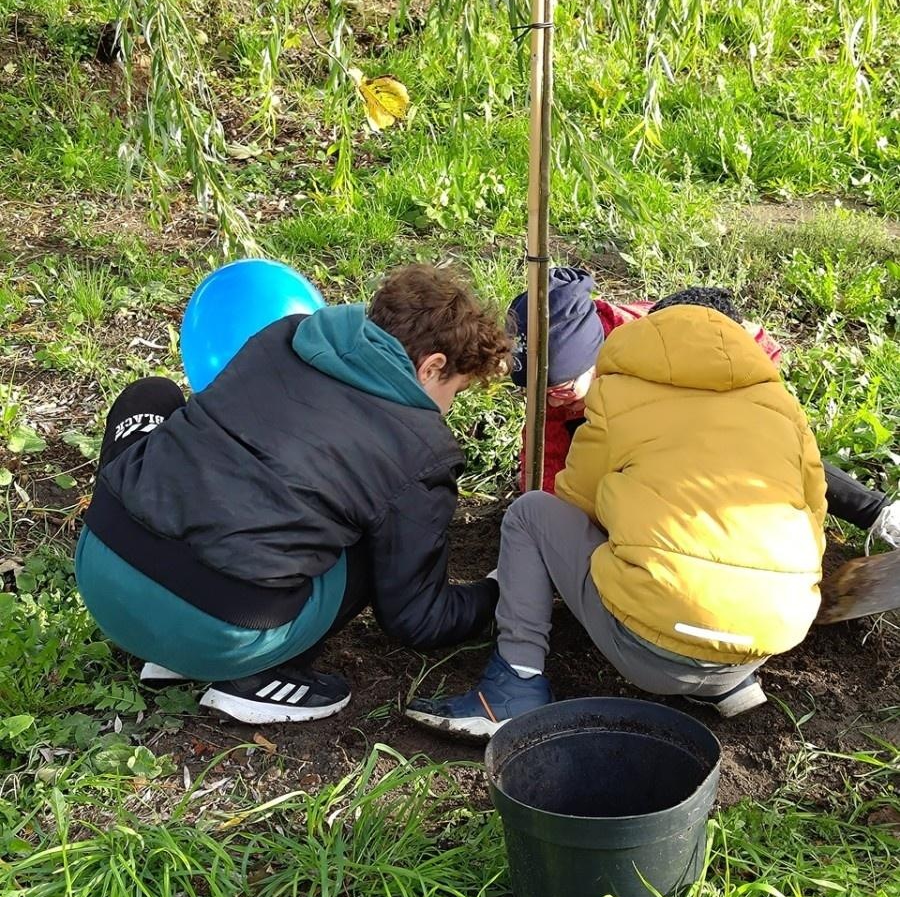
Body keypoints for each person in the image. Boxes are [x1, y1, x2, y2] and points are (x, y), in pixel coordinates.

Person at [75, 264, 509, 725]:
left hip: (103, 580)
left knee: (151, 395)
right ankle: (257, 677)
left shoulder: (286, 333)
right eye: (455, 392)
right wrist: (498, 592)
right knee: (371, 537)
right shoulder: (420, 452)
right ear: (432, 366)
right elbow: (418, 618)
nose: (447, 409)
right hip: (220, 631)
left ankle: (163, 636)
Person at [407, 285, 830, 736]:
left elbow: (576, 502)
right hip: (767, 637)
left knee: (531, 514)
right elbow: (815, 512)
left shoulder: (620, 393)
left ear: (655, 331)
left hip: (648, 650)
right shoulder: (782, 406)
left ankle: (514, 684)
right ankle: (726, 684)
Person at [511, 268, 898, 546]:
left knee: (760, 446)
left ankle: (879, 513)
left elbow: (748, 352)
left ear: (595, 354)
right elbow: (547, 467)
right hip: (626, 439)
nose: (550, 398)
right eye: (539, 391)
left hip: (697, 396)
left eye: (560, 388)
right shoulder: (557, 402)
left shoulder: (659, 337)